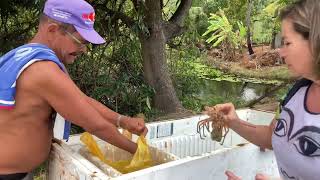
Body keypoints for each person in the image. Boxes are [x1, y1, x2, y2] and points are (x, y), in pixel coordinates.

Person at [0, 0, 147, 179]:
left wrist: (122, 120)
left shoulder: (27, 55)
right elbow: (96, 125)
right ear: (52, 30)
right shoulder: (44, 71)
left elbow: (80, 99)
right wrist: (143, 153)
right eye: (80, 41)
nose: (83, 50)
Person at [214, 0, 320, 180]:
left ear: (315, 41)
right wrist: (233, 122)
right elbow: (273, 134)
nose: (281, 52)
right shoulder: (297, 91)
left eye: (287, 43)